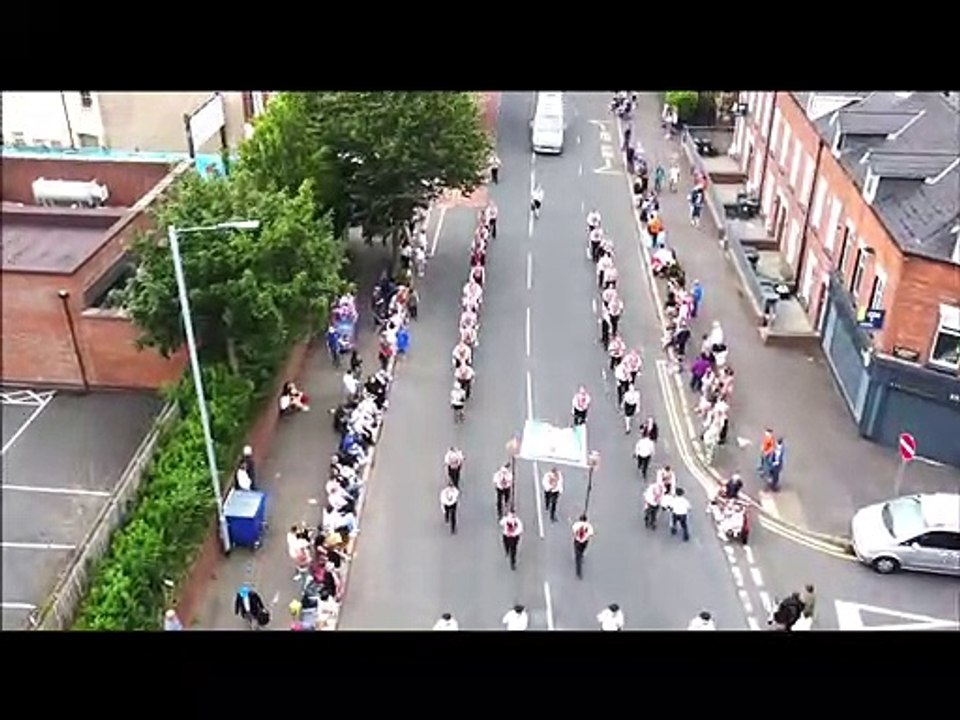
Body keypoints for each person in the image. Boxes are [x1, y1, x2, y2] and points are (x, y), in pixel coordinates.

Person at [572, 515, 595, 579]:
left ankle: (578, 571)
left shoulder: (576, 524)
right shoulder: (589, 526)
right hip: (584, 542)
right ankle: (581, 555)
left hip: (577, 541)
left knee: (577, 556)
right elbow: (591, 533)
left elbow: (574, 530)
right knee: (581, 551)